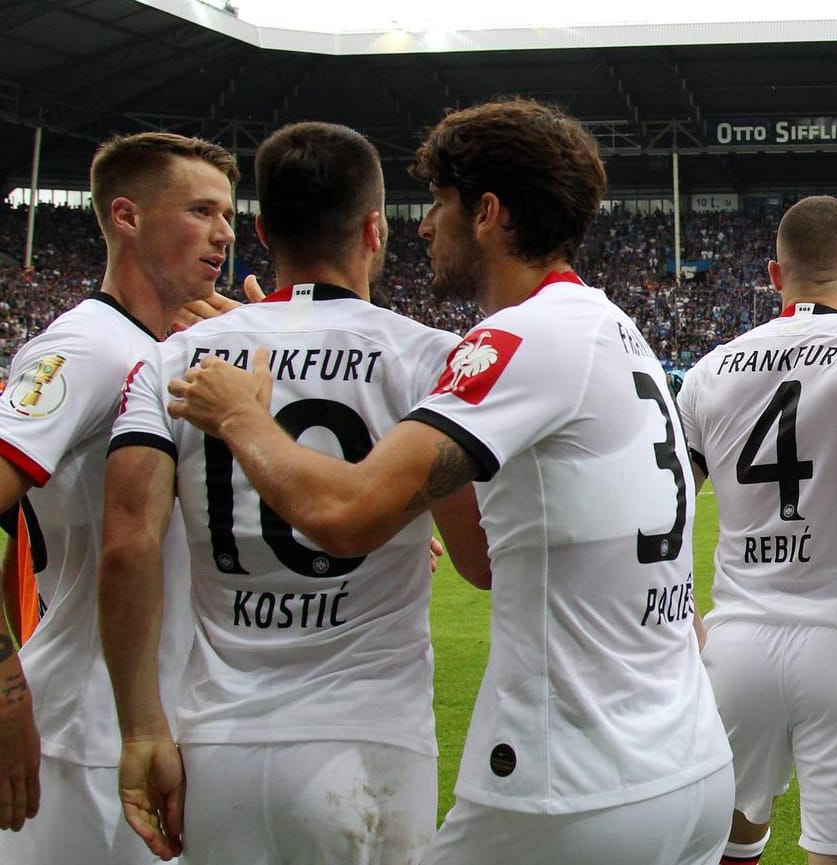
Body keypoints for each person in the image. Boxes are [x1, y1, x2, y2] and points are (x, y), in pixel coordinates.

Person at [163, 97, 734, 865]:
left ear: (489, 213)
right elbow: (486, 558)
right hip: (684, 760)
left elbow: (345, 514)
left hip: (568, 785)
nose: (423, 226)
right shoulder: (608, 328)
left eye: (439, 203)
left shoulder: (519, 336)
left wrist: (242, 416)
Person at [98, 121, 489, 864]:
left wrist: (143, 728)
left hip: (219, 744)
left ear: (260, 230)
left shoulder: (172, 359)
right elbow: (480, 551)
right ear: (375, 229)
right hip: (368, 740)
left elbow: (127, 543)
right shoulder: (431, 358)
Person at [0, 132, 238, 862]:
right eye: (200, 210)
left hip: (156, 724)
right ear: (128, 217)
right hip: (78, 738)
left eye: (227, 214)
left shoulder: (172, 348)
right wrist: (6, 696)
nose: (224, 233)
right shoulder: (86, 347)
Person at [675, 195, 837, 865]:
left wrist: (681, 622)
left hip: (734, 646)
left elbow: (662, 510)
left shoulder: (708, 371)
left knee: (720, 837)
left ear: (773, 274)